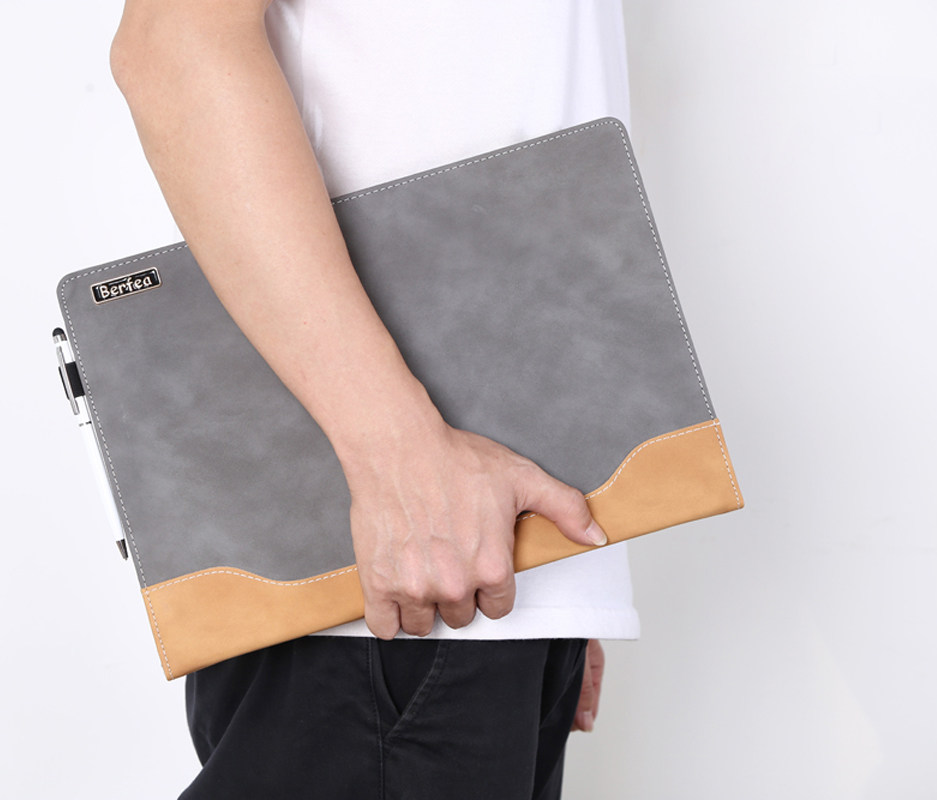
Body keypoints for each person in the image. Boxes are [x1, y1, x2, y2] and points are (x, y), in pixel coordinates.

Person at [108, 1, 637, 796]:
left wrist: (564, 593)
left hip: (481, 547)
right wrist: (397, 457)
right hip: (383, 546)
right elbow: (172, 50)